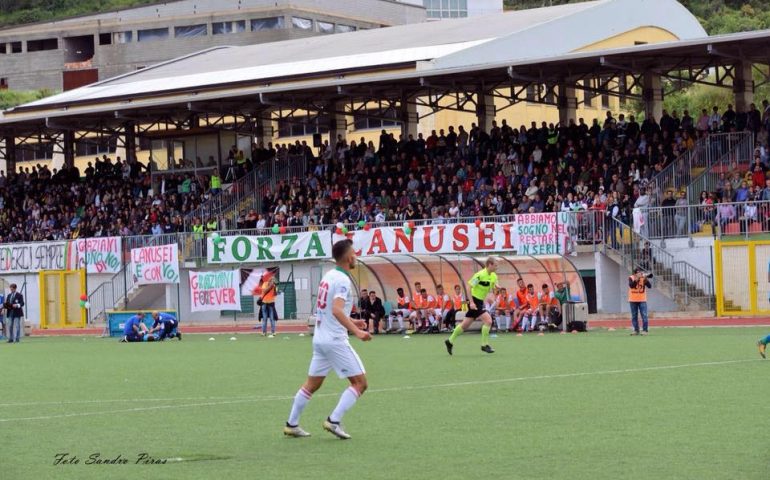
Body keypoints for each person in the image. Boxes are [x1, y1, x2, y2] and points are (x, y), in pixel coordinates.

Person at [283, 239, 371, 440]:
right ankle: (334, 420)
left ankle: (292, 424)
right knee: (360, 383)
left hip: (320, 338)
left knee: (311, 384)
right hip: (334, 340)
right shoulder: (342, 280)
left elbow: (331, 310)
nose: (356, 256)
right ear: (349, 258)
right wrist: (357, 333)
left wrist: (353, 322)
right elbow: (336, 309)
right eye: (354, 253)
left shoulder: (329, 276)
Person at [444, 257, 500, 355]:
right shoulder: (479, 275)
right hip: (474, 300)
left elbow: (495, 285)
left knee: (465, 325)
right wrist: (471, 302)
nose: (497, 267)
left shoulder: (494, 276)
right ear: (489, 265)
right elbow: (469, 288)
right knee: (488, 321)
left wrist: (497, 287)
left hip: (480, 301)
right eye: (495, 265)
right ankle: (484, 345)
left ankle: (450, 341)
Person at [629, 267, 652, 336]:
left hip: (642, 299)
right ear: (635, 273)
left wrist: (646, 280)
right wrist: (637, 279)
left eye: (640, 272)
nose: (640, 274)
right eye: (638, 273)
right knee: (634, 316)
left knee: (644, 315)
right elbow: (631, 286)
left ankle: (645, 330)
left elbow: (650, 286)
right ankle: (636, 330)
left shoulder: (643, 278)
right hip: (633, 300)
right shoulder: (631, 278)